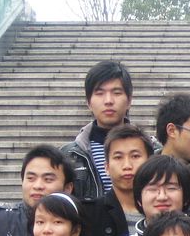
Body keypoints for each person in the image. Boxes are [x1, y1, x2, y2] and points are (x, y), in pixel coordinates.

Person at [62, 61, 153, 201]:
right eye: (100, 93)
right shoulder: (68, 155)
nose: (108, 101)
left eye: (116, 93)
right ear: (88, 102)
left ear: (129, 100)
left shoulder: (154, 150)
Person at [81, 125, 155, 236]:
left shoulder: (165, 209)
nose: (127, 165)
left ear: (150, 161)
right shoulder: (88, 214)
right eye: (118, 157)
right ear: (107, 167)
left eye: (135, 156)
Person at [103, 154, 190, 236]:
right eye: (152, 189)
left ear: (186, 197)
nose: (162, 197)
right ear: (139, 199)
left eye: (171, 188)